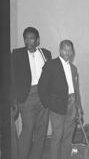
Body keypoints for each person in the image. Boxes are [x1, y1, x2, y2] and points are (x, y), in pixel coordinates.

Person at [38, 40, 83, 159]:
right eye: (65, 49)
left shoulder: (73, 68)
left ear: (73, 52)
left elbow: (76, 89)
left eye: (70, 50)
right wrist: (48, 104)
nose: (67, 52)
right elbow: (42, 86)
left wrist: (78, 107)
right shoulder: (51, 65)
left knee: (68, 137)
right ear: (60, 50)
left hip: (72, 104)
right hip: (57, 106)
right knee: (57, 136)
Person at [11, 27, 52, 159]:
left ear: (37, 40)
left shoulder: (46, 53)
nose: (28, 41)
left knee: (42, 130)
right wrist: (13, 99)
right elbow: (12, 77)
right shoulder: (17, 54)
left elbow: (51, 76)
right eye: (26, 38)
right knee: (28, 128)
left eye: (31, 38)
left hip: (43, 95)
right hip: (26, 95)